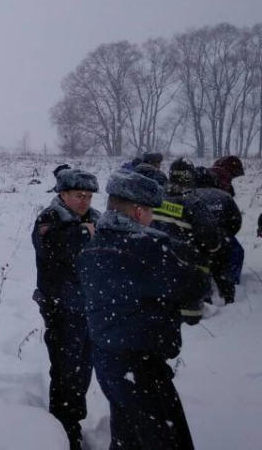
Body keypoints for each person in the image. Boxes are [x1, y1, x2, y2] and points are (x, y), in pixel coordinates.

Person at [78, 169, 205, 450]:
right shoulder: (148, 248)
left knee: (128, 436)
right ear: (137, 212)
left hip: (107, 360)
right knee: (168, 441)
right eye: (149, 212)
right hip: (141, 367)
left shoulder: (93, 246)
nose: (151, 218)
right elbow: (195, 286)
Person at [32, 166, 100, 449]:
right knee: (65, 369)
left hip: (89, 308)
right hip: (60, 308)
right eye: (77, 195)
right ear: (62, 194)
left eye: (88, 196)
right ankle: (62, 427)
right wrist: (85, 233)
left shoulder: (96, 219)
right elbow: (52, 246)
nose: (84, 201)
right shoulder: (50, 218)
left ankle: (74, 420)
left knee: (84, 369)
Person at [150, 158, 220, 323]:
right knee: (194, 323)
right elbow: (212, 242)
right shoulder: (195, 204)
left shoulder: (155, 199)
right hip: (189, 273)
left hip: (157, 272)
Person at [194, 166, 243, 303]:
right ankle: (229, 297)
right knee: (221, 269)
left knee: (201, 272)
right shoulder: (225, 196)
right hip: (222, 240)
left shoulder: (190, 196)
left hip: (197, 242)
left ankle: (205, 299)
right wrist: (227, 234)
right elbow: (236, 220)